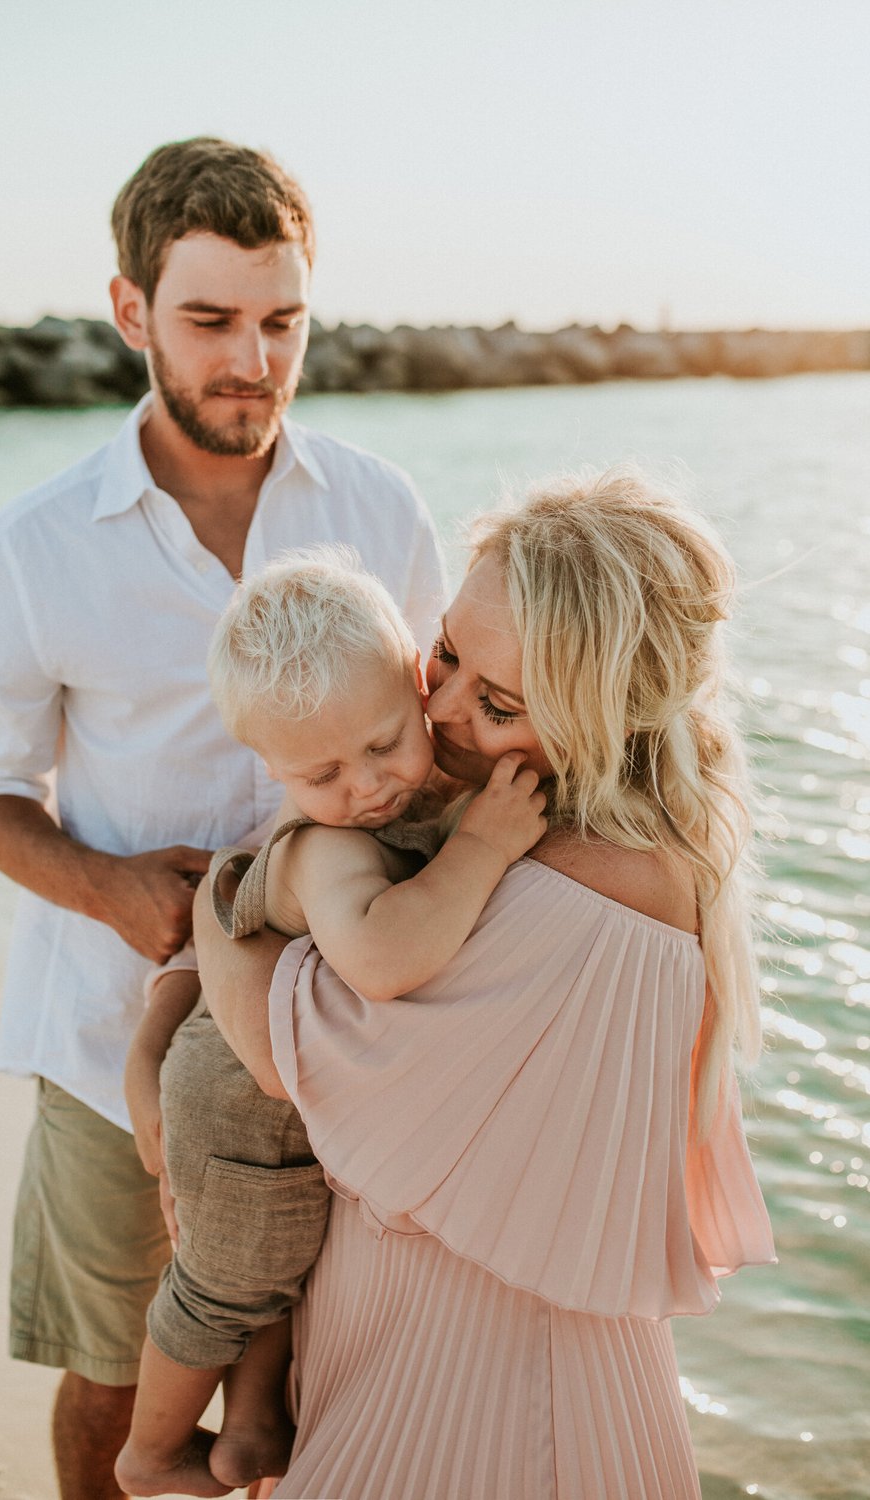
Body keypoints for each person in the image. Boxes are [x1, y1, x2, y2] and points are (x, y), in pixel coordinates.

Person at [0, 137, 445, 1499]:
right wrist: (108, 885)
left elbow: (439, 737)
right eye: (211, 321)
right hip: (109, 1036)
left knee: (312, 1375)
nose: (254, 362)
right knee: (117, 1378)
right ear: (129, 314)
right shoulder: (37, 547)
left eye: (282, 322)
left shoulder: (380, 511)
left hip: (331, 1041)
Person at [193, 467, 777, 1499]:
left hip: (481, 1392)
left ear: (603, 715)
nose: (443, 709)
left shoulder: (585, 893)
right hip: (413, 1344)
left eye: (498, 702)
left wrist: (224, 900)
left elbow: (295, 1056)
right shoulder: (542, 833)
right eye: (448, 653)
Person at [116, 550, 546, 1496]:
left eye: (387, 744)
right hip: (236, 1111)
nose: (367, 788)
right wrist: (481, 843)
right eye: (322, 773)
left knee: (286, 1274)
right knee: (228, 1283)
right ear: (270, 773)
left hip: (273, 1105)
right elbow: (385, 957)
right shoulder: (330, 847)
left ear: (417, 683)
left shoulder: (393, 795)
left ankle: (250, 1430)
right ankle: (149, 1454)